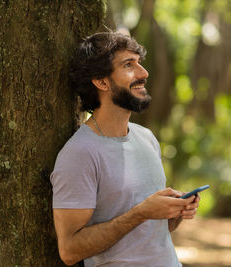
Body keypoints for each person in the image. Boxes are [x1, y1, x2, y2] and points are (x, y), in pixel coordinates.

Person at [50, 31, 200, 267]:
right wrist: (141, 212)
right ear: (101, 81)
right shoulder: (79, 154)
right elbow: (69, 251)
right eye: (129, 65)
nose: (144, 73)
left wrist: (175, 211)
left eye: (139, 63)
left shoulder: (146, 138)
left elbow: (150, 234)